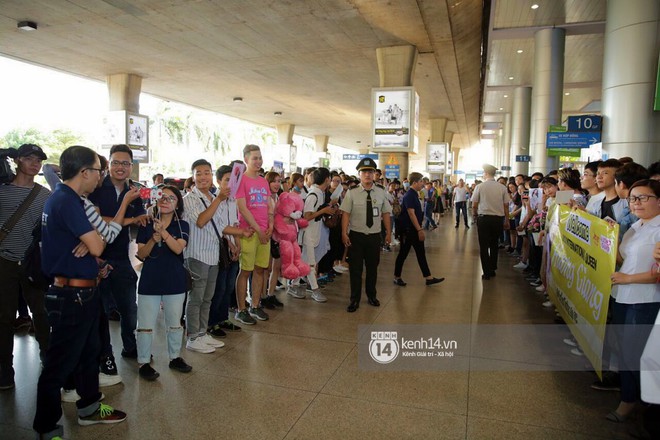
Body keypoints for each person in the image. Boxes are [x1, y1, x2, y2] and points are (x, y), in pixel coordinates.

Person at [33, 146, 127, 440]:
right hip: (70, 295)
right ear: (84, 172)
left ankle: (89, 408)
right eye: (99, 170)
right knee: (59, 364)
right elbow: (100, 245)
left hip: (86, 293)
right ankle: (47, 428)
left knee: (90, 353)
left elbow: (94, 242)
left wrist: (90, 239)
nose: (100, 176)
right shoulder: (66, 200)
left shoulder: (70, 199)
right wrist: (92, 240)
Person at [88, 144, 148, 366]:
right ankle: (103, 354)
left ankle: (130, 347)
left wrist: (139, 218)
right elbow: (97, 220)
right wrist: (129, 220)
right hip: (96, 258)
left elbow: (141, 217)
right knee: (100, 311)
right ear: (108, 164)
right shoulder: (95, 187)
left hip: (122, 258)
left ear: (131, 166)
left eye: (125, 163)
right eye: (115, 162)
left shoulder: (135, 192)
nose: (120, 167)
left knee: (129, 310)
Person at [607, 179, 660, 423]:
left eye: (643, 198)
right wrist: (610, 238)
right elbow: (621, 259)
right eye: (632, 198)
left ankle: (637, 403)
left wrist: (628, 279)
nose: (635, 203)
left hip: (645, 300)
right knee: (626, 351)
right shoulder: (636, 226)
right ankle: (632, 398)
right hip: (622, 296)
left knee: (636, 353)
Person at [0, 144, 51, 391]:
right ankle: (5, 372)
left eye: (38, 160)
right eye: (29, 158)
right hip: (4, 262)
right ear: (17, 160)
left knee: (41, 314)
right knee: (4, 318)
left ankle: (48, 360)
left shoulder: (44, 195)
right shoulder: (2, 191)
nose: (34, 163)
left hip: (32, 263)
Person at [135, 185, 192, 380]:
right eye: (162, 197)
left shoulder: (182, 225)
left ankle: (175, 357)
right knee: (145, 324)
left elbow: (178, 249)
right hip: (149, 281)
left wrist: (164, 234)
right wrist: (153, 238)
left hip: (174, 281)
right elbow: (141, 255)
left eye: (171, 198)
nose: (165, 201)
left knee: (175, 322)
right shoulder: (145, 224)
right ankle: (143, 361)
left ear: (178, 203)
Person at [182, 159, 227, 353]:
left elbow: (219, 226)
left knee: (207, 297)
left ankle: (202, 332)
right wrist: (218, 200)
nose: (203, 177)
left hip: (213, 253)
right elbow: (201, 221)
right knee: (196, 298)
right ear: (193, 177)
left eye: (207, 172)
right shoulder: (190, 199)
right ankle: (193, 337)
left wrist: (238, 236)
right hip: (196, 254)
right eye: (198, 173)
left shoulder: (212, 196)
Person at [340, 157, 392, 312]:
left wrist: (388, 233)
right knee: (355, 269)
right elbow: (346, 214)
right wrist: (344, 232)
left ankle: (371, 296)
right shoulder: (352, 193)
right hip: (356, 236)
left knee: (372, 268)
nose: (367, 175)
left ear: (375, 174)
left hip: (374, 236)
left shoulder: (381, 192)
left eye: (370, 172)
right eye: (364, 172)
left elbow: (386, 214)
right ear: (359, 174)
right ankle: (354, 299)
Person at [207, 165, 252, 335]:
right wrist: (230, 243)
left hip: (234, 247)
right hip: (220, 249)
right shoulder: (214, 200)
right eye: (227, 180)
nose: (230, 184)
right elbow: (219, 227)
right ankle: (212, 323)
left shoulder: (233, 201)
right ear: (218, 181)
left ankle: (223, 318)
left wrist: (238, 243)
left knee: (228, 287)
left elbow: (235, 224)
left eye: (234, 180)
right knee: (219, 287)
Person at [235, 144, 274, 323]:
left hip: (264, 233)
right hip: (249, 232)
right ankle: (241, 309)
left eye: (260, 158)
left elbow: (268, 205)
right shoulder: (241, 180)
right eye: (254, 158)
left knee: (260, 269)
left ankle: (255, 305)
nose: (258, 161)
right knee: (245, 270)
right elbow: (242, 208)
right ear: (246, 160)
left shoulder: (263, 181)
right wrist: (258, 229)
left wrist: (270, 225)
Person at [393, 172, 444, 287]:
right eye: (421, 181)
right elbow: (411, 214)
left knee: (421, 253)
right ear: (415, 182)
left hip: (414, 229)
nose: (423, 183)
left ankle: (428, 277)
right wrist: (419, 230)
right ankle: (397, 277)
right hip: (409, 230)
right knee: (403, 254)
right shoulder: (409, 195)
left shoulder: (415, 194)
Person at [301, 167, 336, 303]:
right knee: (309, 263)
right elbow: (307, 216)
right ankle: (315, 289)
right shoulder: (313, 194)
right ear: (326, 179)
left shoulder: (319, 193)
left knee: (306, 262)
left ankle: (294, 284)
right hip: (308, 233)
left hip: (315, 233)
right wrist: (324, 211)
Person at [471, 164, 509, 280]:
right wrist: (506, 219)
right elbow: (506, 205)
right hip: (498, 219)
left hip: (484, 219)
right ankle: (492, 267)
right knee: (494, 244)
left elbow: (474, 204)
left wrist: (475, 215)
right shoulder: (502, 187)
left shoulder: (480, 187)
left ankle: (486, 271)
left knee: (483, 246)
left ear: (486, 174)